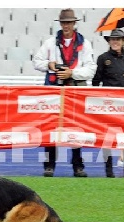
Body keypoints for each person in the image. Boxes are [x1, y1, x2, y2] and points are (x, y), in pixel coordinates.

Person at [33, 8, 96, 178]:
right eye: (63, 22)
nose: (66, 25)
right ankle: (49, 165)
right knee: (50, 127)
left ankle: (78, 166)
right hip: (54, 90)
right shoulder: (50, 42)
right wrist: (50, 65)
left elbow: (91, 70)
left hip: (75, 90)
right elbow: (36, 61)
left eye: (69, 22)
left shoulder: (85, 44)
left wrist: (72, 73)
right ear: (60, 24)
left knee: (76, 128)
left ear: (74, 24)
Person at [92, 29, 124, 178]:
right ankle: (109, 170)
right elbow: (96, 81)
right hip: (108, 103)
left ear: (123, 41)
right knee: (107, 139)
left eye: (118, 39)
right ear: (109, 41)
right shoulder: (103, 58)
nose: (115, 41)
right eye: (112, 39)